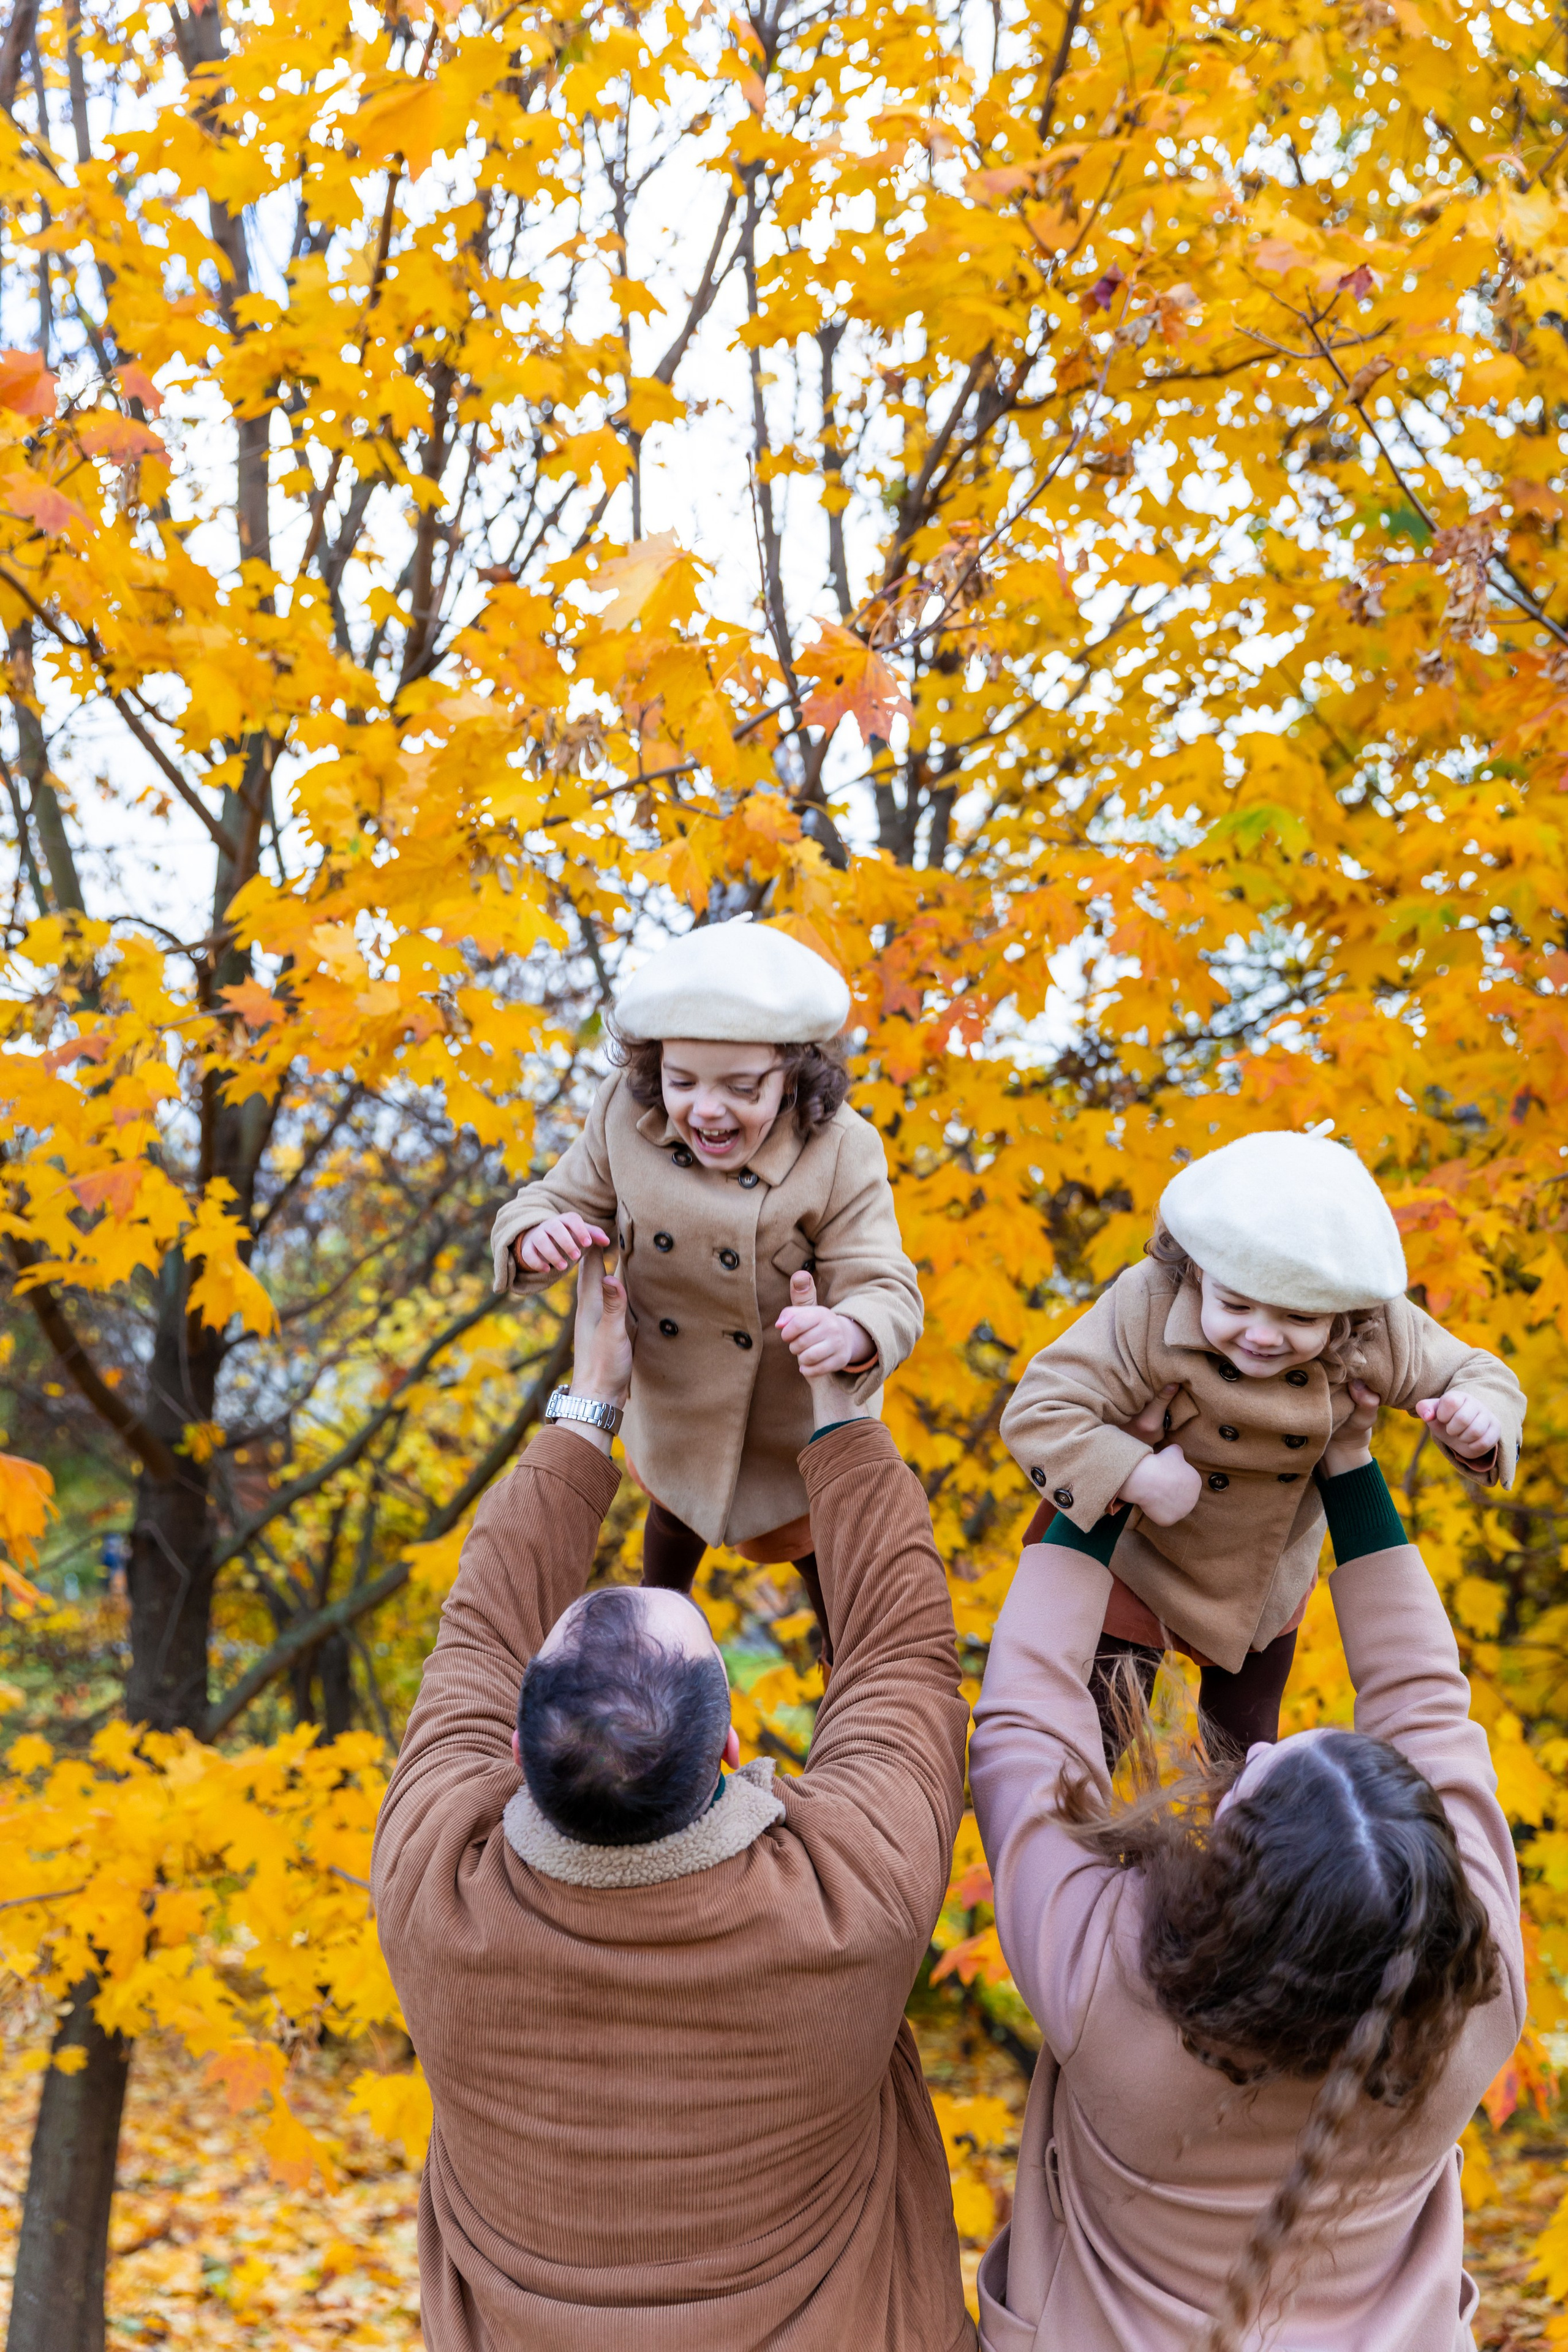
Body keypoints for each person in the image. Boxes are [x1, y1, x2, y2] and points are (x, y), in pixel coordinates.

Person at [372, 1248, 974, 2352]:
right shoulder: (847, 1908)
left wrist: (585, 1405)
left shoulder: (433, 1891)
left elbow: (474, 1637)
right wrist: (838, 1418)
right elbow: (899, 1659)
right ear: (731, 1747)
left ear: (512, 1744)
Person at [968, 1377, 1525, 2352]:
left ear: (1236, 1886)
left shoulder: (1109, 1983)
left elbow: (1023, 1725)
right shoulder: (1475, 2000)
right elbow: (1431, 1711)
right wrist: (1342, 1463)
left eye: (1254, 1784)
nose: (1256, 1750)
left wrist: (1099, 1482)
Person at [1001, 1129, 1525, 1755]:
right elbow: (1040, 1409)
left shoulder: (1368, 1325)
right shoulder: (1147, 1301)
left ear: (1343, 1307)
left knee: (1245, 1759)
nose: (1262, 1335)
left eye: (1299, 1318)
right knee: (1090, 1734)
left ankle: (1239, 1841)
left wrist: (1477, 1421)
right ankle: (1075, 1845)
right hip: (1137, 1561)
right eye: (1237, 1305)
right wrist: (1133, 1474)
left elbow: (1477, 1373)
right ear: (1196, 1267)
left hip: (1263, 1582)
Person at [489, 916, 923, 1654]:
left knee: (838, 1599)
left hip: (792, 1432)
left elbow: (883, 1281)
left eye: (742, 1088)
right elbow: (554, 1198)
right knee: (665, 1556)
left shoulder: (840, 1148)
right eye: (681, 1082)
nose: (707, 1110)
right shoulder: (623, 1115)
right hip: (675, 1417)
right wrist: (538, 1236)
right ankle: (642, 1685)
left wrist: (851, 1332)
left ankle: (855, 1704)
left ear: (796, 1074)